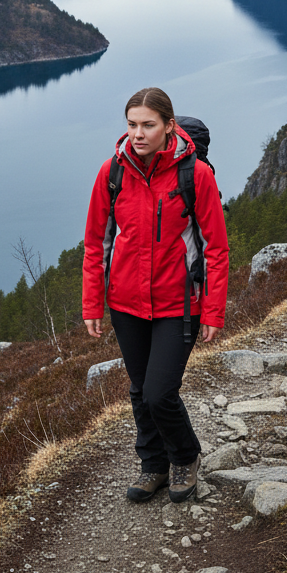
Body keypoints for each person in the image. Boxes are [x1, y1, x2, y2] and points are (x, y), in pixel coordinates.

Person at [83, 87, 229, 504]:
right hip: (126, 303)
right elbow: (96, 243)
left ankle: (184, 456)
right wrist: (93, 302)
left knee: (158, 392)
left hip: (178, 304)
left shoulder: (194, 175)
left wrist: (213, 311)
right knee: (138, 389)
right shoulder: (112, 173)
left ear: (169, 126)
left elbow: (216, 248)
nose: (138, 134)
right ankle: (153, 464)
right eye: (132, 124)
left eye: (148, 125)